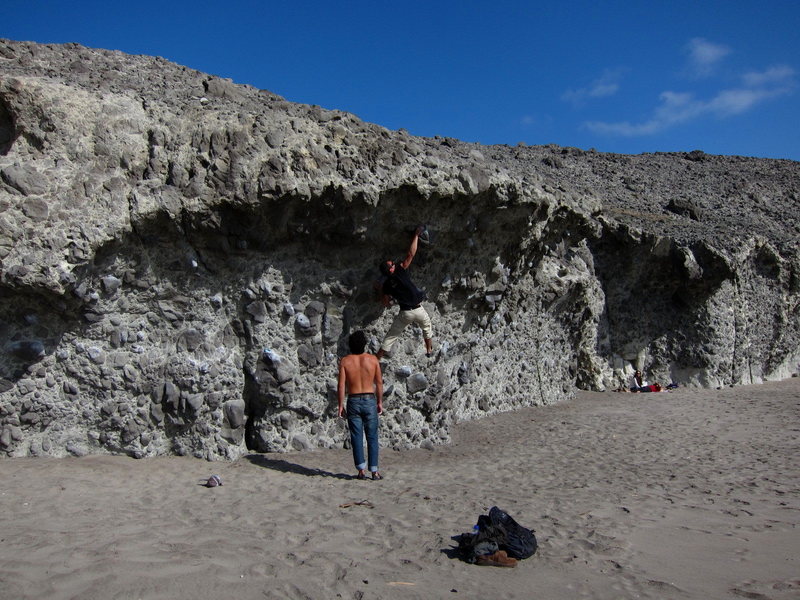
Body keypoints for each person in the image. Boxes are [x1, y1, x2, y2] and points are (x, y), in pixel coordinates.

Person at [375, 225, 433, 360]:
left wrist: (380, 290)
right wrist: (416, 235)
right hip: (418, 309)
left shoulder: (386, 285)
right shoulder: (400, 270)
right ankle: (429, 349)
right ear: (390, 270)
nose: (395, 264)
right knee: (427, 327)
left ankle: (377, 356)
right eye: (392, 264)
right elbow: (411, 254)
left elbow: (385, 304)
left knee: (392, 335)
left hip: (405, 313)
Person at [338, 331, 384, 480]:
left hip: (353, 400)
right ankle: (375, 471)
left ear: (350, 345)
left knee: (356, 436)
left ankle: (361, 470)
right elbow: (379, 383)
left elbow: (341, 385)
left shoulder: (345, 361)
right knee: (372, 436)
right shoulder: (373, 360)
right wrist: (379, 401)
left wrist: (340, 404)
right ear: (364, 344)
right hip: (369, 399)